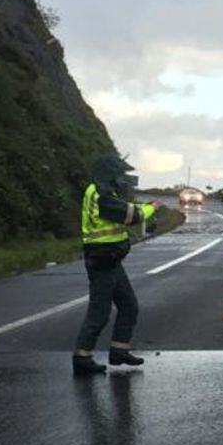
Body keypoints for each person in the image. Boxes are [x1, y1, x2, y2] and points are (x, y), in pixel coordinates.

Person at [73, 155, 160, 375]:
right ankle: (82, 357)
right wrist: (151, 208)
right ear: (108, 174)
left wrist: (143, 207)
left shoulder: (103, 192)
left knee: (129, 305)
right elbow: (131, 215)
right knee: (99, 312)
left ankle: (119, 351)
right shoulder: (100, 194)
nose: (120, 179)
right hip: (102, 259)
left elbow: (124, 208)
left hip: (110, 259)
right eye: (117, 174)